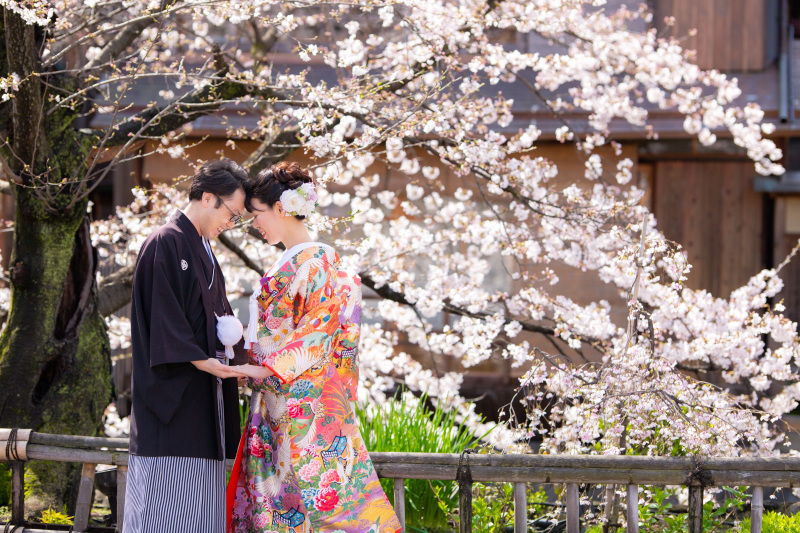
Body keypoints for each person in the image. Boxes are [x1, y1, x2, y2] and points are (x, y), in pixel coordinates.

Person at [227, 161, 401, 533]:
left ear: (281, 208)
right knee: (276, 504)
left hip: (303, 405)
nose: (254, 225)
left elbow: (318, 331)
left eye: (257, 214)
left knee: (311, 502)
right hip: (275, 399)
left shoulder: (317, 262)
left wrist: (265, 369)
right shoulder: (294, 262)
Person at [124, 159, 251, 533]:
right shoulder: (165, 241)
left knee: (200, 515)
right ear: (208, 197)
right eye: (231, 213)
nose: (232, 223)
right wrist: (201, 360)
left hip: (203, 398)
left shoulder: (205, 251)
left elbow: (222, 321)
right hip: (172, 403)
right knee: (162, 513)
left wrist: (236, 361)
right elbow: (162, 316)